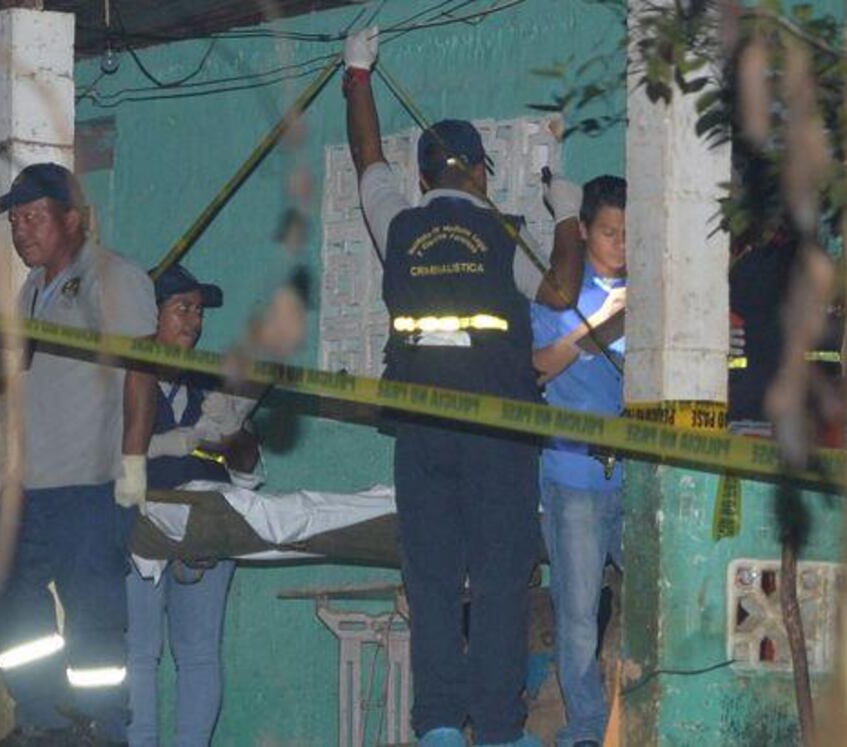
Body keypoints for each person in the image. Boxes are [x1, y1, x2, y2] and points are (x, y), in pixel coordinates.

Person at [342, 26, 586, 747]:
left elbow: (366, 158)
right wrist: (567, 215)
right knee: (502, 581)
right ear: (482, 171)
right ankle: (501, 730)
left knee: (434, 583)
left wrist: (359, 76)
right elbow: (562, 290)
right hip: (499, 440)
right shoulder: (504, 237)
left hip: (422, 437)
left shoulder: (398, 223)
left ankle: (441, 727)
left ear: (423, 177)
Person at [0, 163, 156, 746]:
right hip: (30, 484)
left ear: (73, 219)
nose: (21, 231)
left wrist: (132, 464)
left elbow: (141, 372)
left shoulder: (114, 277)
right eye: (14, 221)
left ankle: (100, 729)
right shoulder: (32, 289)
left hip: (89, 483)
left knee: (94, 620)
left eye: (33, 217)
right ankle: (45, 716)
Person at [125, 264, 261, 747]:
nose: (194, 322)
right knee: (139, 653)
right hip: (138, 524)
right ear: (149, 314)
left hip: (206, 522)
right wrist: (174, 443)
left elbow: (248, 469)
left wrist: (234, 436)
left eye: (199, 312)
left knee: (200, 652)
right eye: (182, 309)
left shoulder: (208, 383)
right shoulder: (123, 377)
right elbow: (106, 455)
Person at [531, 176, 627, 747]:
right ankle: (587, 727)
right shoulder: (561, 293)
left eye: (630, 234)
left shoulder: (649, 289)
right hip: (573, 476)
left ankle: (641, 712)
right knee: (577, 613)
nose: (621, 245)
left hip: (640, 477)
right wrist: (599, 327)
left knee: (660, 595)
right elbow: (539, 366)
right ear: (585, 230)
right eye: (610, 233)